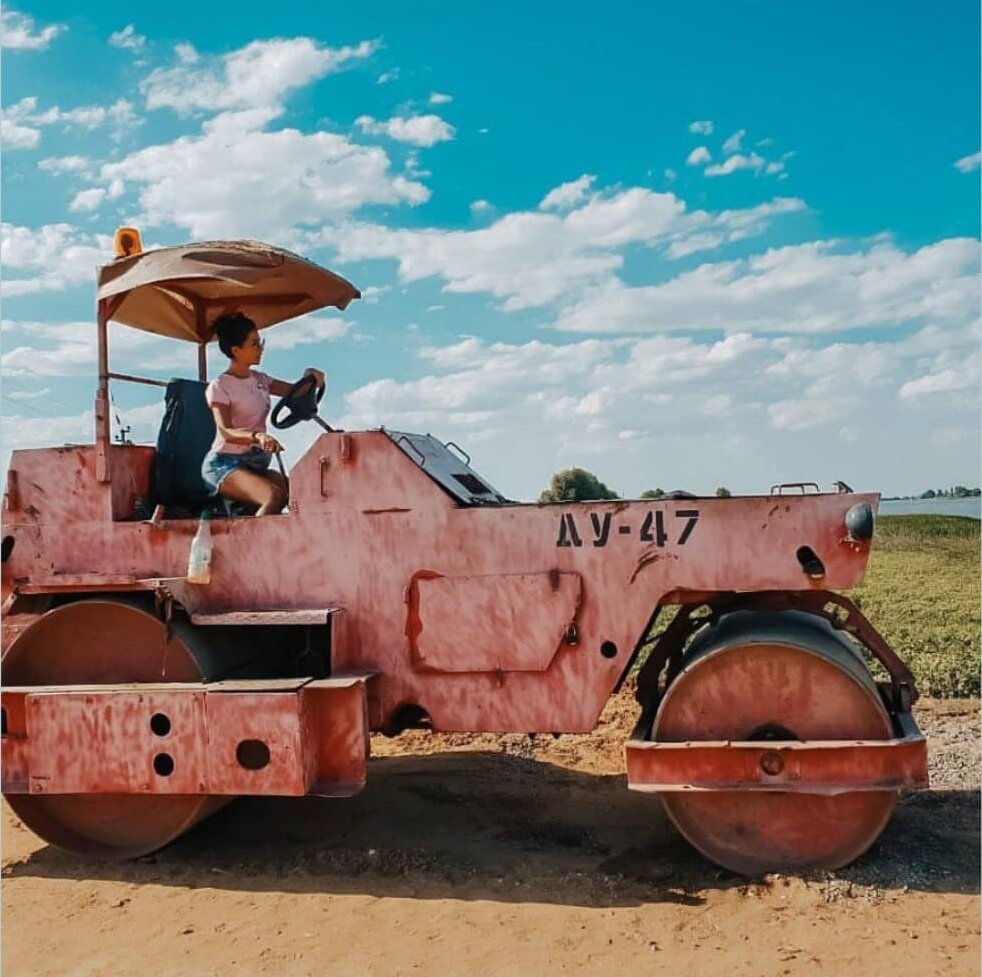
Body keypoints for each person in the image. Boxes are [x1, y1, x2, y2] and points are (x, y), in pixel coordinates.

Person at [201, 312, 325, 516]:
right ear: (236, 350)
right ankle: (250, 547)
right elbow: (226, 432)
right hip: (224, 465)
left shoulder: (261, 380)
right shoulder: (220, 386)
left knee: (300, 492)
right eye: (255, 344)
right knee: (273, 497)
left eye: (261, 342)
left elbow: (296, 390)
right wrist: (258, 437)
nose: (261, 349)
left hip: (255, 463)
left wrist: (311, 377)